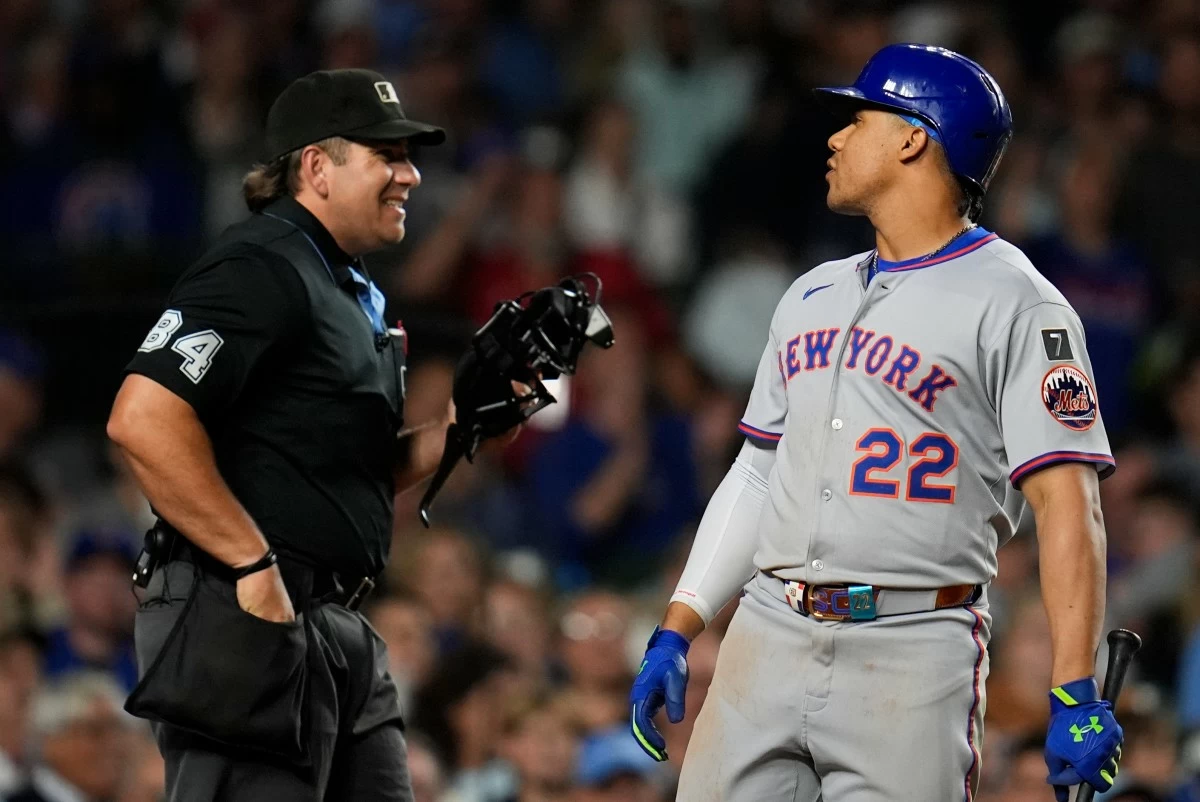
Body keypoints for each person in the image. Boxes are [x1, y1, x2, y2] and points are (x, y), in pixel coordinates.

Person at [628, 44, 1124, 801]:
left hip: (915, 646)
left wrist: (1074, 689)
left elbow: (1069, 505)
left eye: (858, 119)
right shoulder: (810, 295)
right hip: (769, 629)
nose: (835, 137)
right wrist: (680, 626)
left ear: (913, 137)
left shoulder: (1020, 303)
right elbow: (758, 472)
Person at [106, 68, 514, 802]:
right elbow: (142, 418)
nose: (410, 174)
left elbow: (346, 473)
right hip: (245, 614)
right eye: (386, 155)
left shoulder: (348, 286)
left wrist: (463, 425)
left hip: (335, 621)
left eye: (409, 156)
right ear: (317, 167)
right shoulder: (259, 263)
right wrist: (251, 564)